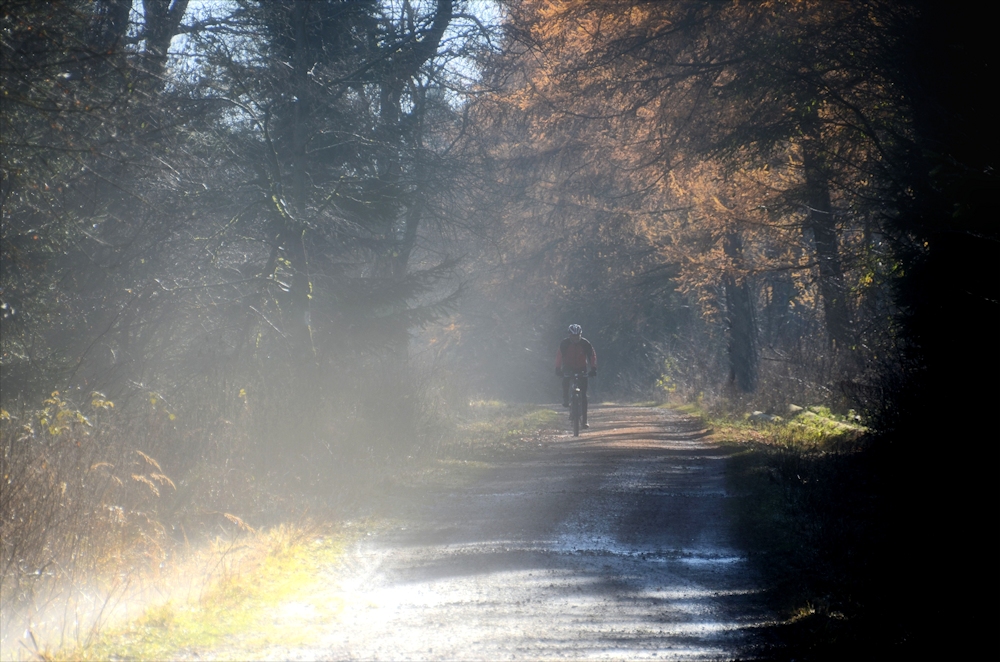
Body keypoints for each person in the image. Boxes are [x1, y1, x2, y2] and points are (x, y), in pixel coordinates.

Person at [555, 324, 597, 428]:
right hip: (568, 367)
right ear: (569, 335)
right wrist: (557, 369)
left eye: (577, 335)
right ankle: (565, 398)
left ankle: (585, 421)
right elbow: (559, 357)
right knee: (565, 380)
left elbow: (592, 356)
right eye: (573, 336)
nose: (575, 338)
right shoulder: (564, 343)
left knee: (583, 395)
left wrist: (593, 368)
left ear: (580, 334)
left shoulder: (585, 343)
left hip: (582, 368)